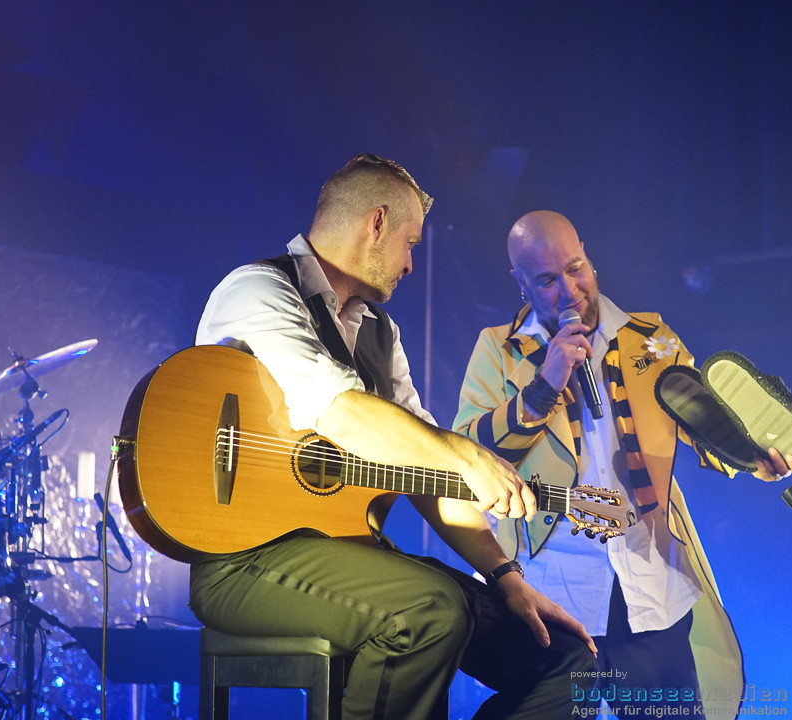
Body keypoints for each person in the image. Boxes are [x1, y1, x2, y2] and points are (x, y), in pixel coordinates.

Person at [189, 157, 596, 720]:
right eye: (409, 243)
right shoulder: (257, 290)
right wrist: (468, 454)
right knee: (431, 610)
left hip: (351, 555)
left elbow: (424, 463)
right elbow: (343, 414)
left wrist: (506, 576)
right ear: (375, 224)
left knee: (564, 658)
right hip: (244, 562)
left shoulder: (380, 331)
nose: (410, 263)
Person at [454, 210, 792, 717]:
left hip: (647, 582)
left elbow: (706, 426)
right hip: (552, 586)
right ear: (522, 284)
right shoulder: (498, 350)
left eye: (576, 268)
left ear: (588, 258)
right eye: (548, 280)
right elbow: (467, 452)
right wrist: (542, 386)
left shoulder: (651, 338)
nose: (569, 290)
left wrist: (753, 459)